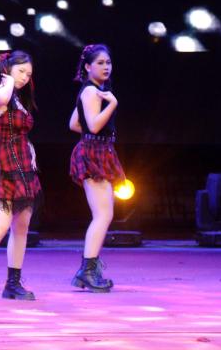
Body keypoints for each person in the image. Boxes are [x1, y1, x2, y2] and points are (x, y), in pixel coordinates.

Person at [0, 51, 41, 301]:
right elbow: (2, 98)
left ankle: (13, 283)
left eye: (29, 74)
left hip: (24, 167)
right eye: (21, 71)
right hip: (4, 166)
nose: (25, 77)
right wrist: (7, 79)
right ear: (7, 69)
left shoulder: (17, 99)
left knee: (22, 226)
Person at [68, 44, 125, 293]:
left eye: (108, 62)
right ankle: (87, 270)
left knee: (104, 214)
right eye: (100, 63)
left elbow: (74, 123)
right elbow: (91, 125)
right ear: (88, 66)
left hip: (98, 150)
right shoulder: (92, 91)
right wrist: (112, 105)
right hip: (94, 153)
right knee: (103, 215)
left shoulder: (94, 90)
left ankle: (88, 270)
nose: (106, 67)